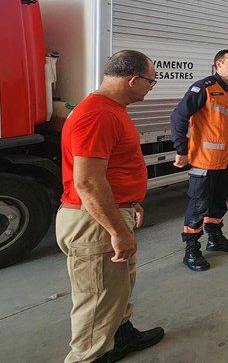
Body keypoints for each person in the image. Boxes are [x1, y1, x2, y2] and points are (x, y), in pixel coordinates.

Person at [57, 50, 164, 362]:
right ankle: (88, 356)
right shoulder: (98, 115)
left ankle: (120, 335)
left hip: (111, 212)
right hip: (94, 222)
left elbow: (110, 171)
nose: (149, 88)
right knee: (97, 299)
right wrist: (117, 228)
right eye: (150, 82)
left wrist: (129, 203)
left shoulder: (111, 109)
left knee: (117, 286)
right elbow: (88, 182)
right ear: (133, 80)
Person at [171, 49, 228, 272]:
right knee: (198, 205)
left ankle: (215, 238)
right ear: (218, 64)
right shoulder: (203, 87)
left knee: (218, 202)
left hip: (227, 159)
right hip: (204, 160)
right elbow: (178, 116)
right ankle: (191, 250)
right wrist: (181, 149)